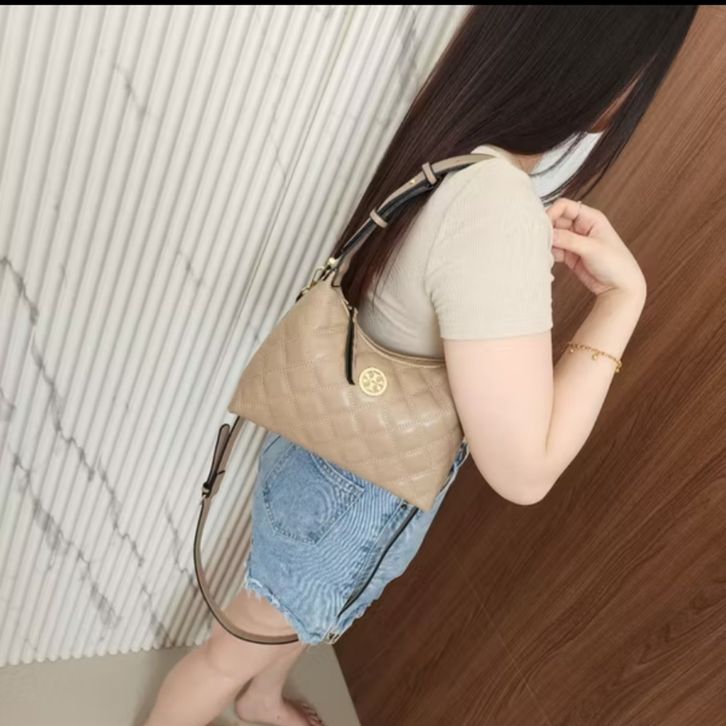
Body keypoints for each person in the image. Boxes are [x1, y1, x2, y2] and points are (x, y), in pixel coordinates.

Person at [142, 6, 698, 726]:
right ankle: (240, 695)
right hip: (350, 492)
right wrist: (623, 301)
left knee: (296, 616)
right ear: (608, 70)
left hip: (324, 450)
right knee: (228, 651)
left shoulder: (457, 144)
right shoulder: (496, 203)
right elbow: (525, 470)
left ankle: (260, 698)